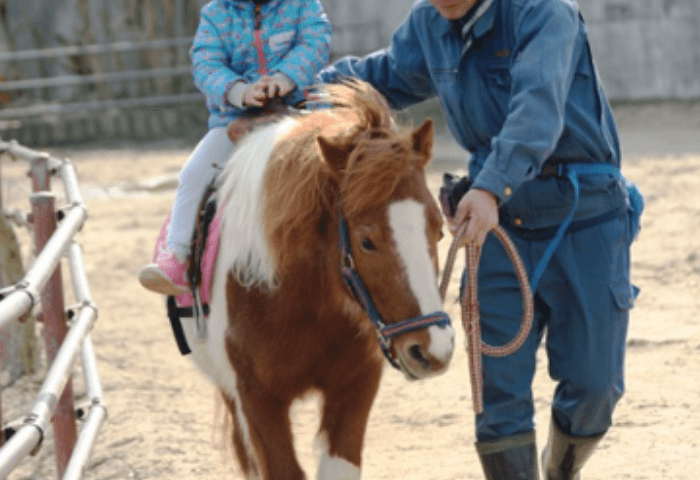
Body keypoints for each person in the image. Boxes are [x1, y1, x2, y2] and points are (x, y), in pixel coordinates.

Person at [317, 0, 641, 479]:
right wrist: (300, 91)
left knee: (595, 388)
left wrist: (491, 187)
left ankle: (559, 469)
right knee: (497, 397)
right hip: (497, 227)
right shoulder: (430, 23)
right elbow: (379, 77)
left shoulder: (545, 12)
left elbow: (537, 108)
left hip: (584, 218)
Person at [138, 0, 332, 296]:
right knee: (193, 175)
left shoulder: (303, 4)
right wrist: (240, 91)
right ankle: (176, 256)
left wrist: (283, 79)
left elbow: (315, 41)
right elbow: (206, 64)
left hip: (301, 107)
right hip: (235, 117)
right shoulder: (216, 14)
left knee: (344, 162)